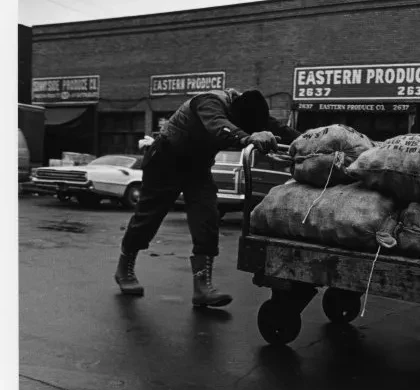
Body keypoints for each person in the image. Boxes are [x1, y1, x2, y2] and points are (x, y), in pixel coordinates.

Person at [115, 88, 300, 307]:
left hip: (197, 166)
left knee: (207, 218)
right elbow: (218, 126)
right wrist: (248, 137)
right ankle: (124, 268)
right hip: (166, 159)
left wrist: (310, 139)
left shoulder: (249, 109)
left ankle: (203, 287)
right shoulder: (210, 102)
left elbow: (280, 129)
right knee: (148, 217)